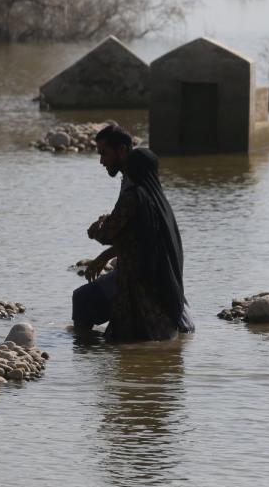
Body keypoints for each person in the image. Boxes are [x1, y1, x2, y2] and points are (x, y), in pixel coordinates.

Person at [90, 147, 194, 342]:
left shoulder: (133, 196)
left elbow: (108, 234)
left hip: (135, 280)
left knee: (126, 337)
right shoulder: (158, 199)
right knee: (153, 335)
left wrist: (96, 228)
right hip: (157, 277)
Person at [71, 124, 134, 332]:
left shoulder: (135, 187)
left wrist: (98, 230)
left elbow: (116, 233)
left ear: (122, 151)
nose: (101, 161)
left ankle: (82, 353)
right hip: (137, 266)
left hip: (137, 275)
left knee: (81, 300)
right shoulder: (137, 181)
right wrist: (105, 256)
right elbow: (133, 232)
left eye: (104, 154)